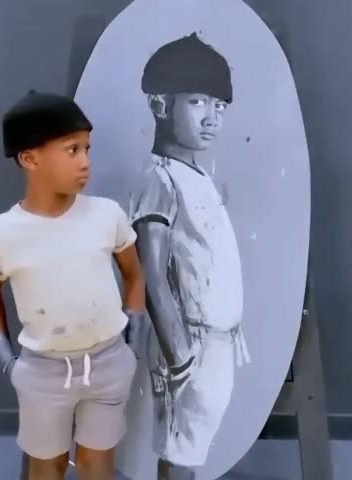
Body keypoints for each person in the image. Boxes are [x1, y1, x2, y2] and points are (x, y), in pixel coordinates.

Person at [0, 91, 145, 480]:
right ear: (30, 159)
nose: (85, 161)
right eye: (72, 150)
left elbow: (135, 276)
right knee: (46, 465)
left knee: (96, 464)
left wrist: (131, 348)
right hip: (43, 372)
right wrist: (9, 363)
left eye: (87, 148)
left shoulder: (107, 216)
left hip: (109, 364)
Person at [130, 33, 250, 480]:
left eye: (220, 106)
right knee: (181, 451)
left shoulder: (197, 176)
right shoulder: (160, 179)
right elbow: (152, 276)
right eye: (198, 102)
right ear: (160, 105)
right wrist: (180, 358)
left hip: (217, 342)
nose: (212, 117)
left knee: (194, 449)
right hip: (189, 345)